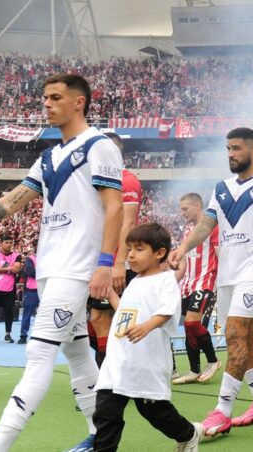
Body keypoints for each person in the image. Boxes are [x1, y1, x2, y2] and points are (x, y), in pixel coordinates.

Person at [0, 73, 124, 452]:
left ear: (78, 102)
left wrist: (104, 262)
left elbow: (114, 208)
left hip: (75, 270)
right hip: (49, 269)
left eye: (54, 97)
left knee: (38, 353)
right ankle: (102, 438)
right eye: (44, 98)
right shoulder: (48, 157)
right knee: (79, 353)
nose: (45, 104)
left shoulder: (99, 146)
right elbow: (7, 204)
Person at [168, 127, 253, 438]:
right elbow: (207, 224)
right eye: (227, 149)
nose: (230, 154)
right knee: (246, 338)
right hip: (227, 275)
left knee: (236, 334)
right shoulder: (221, 187)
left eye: (236, 148)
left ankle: (222, 411)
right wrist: (183, 247)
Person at [92, 223, 202, 452]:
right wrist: (111, 294)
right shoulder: (135, 282)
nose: (130, 254)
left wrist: (146, 327)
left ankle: (189, 434)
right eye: (129, 248)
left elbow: (167, 310)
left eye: (138, 248)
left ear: (159, 253)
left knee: (155, 412)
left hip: (146, 362)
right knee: (106, 413)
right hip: (118, 361)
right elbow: (125, 311)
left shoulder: (165, 280)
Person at [88, 132, 142, 368]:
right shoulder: (97, 179)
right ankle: (116, 371)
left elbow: (127, 223)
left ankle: (109, 379)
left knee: (105, 318)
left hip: (114, 261)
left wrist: (118, 262)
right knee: (95, 321)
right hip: (98, 260)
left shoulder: (126, 180)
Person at [172, 193, 221, 385]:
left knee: (193, 323)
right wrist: (173, 282)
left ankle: (213, 360)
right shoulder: (188, 231)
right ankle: (194, 370)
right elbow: (184, 261)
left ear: (198, 205)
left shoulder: (213, 227)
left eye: (185, 209)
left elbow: (220, 255)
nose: (182, 213)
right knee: (188, 329)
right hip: (188, 284)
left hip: (206, 281)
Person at [18, 243, 39, 344]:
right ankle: (23, 336)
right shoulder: (30, 259)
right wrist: (45, 272)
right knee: (27, 313)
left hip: (47, 289)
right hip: (32, 290)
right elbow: (30, 272)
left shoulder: (51, 258)